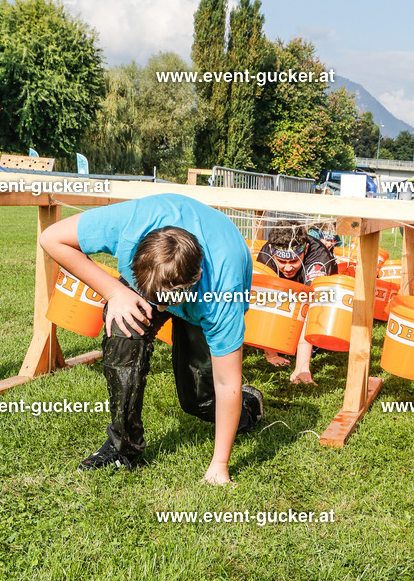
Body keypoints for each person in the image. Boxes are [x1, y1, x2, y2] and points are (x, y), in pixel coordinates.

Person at [39, 193, 264, 484]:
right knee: (124, 329)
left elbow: (227, 381)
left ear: (194, 279)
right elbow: (51, 239)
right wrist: (116, 292)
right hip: (162, 273)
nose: (158, 310)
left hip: (209, 285)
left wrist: (219, 465)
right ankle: (123, 448)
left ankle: (249, 407)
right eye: (152, 299)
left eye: (166, 302)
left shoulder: (222, 292)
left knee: (199, 399)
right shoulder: (127, 223)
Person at [256, 221, 338, 384]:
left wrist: (302, 368)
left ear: (305, 249)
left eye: (293, 261)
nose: (287, 268)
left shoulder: (319, 257)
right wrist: (271, 353)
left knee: (310, 344)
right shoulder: (266, 253)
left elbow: (311, 309)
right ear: (273, 253)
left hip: (320, 298)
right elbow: (264, 301)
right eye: (282, 261)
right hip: (285, 293)